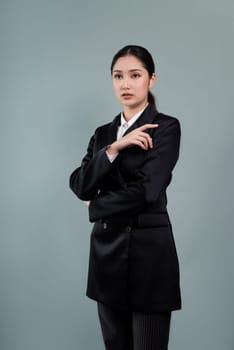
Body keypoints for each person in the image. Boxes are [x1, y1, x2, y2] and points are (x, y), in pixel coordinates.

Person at [69, 45, 182, 350]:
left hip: (149, 259)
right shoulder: (104, 134)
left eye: (135, 75)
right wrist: (115, 148)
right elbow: (80, 185)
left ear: (151, 79)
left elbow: (148, 190)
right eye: (118, 76)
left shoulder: (166, 128)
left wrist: (99, 206)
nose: (125, 83)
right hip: (107, 257)